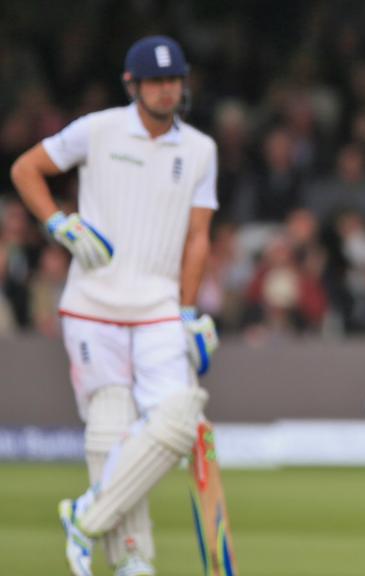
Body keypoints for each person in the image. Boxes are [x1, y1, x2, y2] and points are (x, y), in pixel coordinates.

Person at [10, 35, 219, 576]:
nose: (168, 90)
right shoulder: (98, 130)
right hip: (90, 305)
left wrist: (190, 311)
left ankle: (86, 515)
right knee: (109, 425)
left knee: (178, 417)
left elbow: (198, 237)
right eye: (156, 81)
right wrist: (59, 222)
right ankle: (131, 558)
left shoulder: (200, 149)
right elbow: (25, 170)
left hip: (157, 307)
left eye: (174, 80)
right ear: (133, 84)